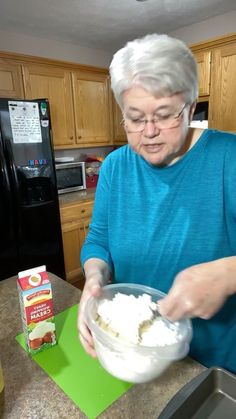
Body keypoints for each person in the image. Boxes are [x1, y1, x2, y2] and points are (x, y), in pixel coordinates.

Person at [77, 33, 236, 373]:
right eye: (135, 118)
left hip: (212, 369)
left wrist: (229, 273)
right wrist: (94, 278)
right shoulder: (115, 167)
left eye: (164, 115)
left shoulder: (229, 159)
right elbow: (98, 242)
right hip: (132, 355)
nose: (148, 132)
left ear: (190, 108)